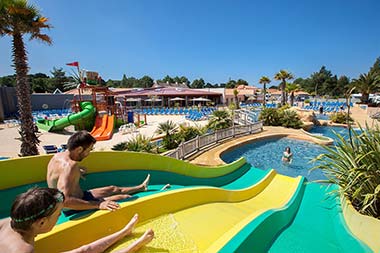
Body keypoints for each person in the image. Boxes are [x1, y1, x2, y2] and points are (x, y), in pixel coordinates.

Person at [0, 187, 154, 253]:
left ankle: (124, 232)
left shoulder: (7, 222)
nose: (60, 216)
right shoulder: (24, 250)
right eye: (58, 214)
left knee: (83, 251)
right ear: (41, 223)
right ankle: (132, 247)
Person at [47, 130, 151, 214]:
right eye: (89, 150)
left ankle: (142, 187)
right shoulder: (70, 166)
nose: (89, 153)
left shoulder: (58, 157)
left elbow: (61, 176)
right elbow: (65, 201)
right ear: (79, 149)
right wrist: (98, 204)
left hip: (80, 195)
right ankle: (137, 192)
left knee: (113, 188)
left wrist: (77, 171)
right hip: (74, 206)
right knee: (125, 197)